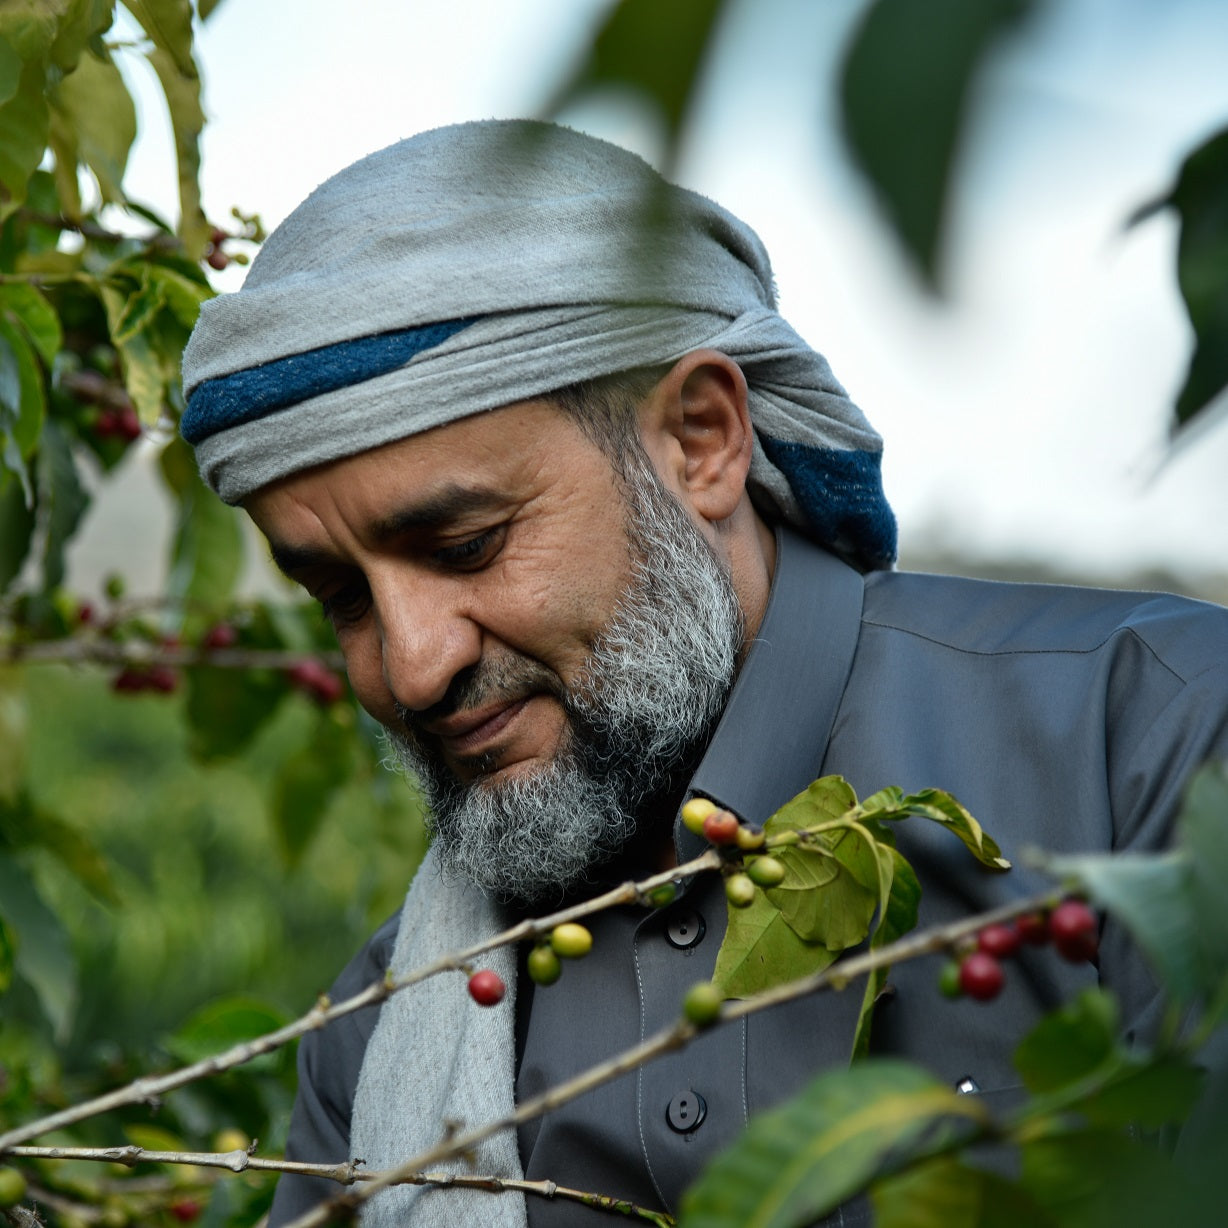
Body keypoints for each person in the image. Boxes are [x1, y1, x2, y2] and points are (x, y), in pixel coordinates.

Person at [180, 120, 1228, 1228]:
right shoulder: (385, 1034)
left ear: (700, 442)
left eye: (466, 546)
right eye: (340, 596)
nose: (412, 664)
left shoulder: (1157, 748)